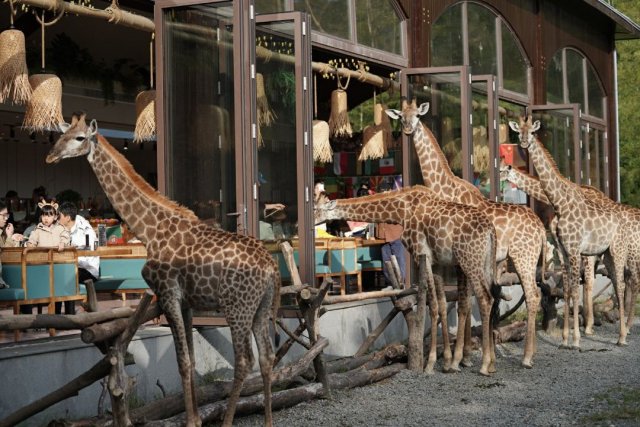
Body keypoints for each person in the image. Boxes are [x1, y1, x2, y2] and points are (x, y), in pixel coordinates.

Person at [57, 202, 100, 315]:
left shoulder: (86, 231)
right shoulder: (61, 229)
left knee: (67, 275)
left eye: (59, 216)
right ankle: (56, 314)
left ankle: (69, 313)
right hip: (73, 267)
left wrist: (72, 261)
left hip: (89, 270)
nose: (58, 219)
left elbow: (90, 256)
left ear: (67, 218)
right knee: (57, 275)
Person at [375, 183, 406, 287]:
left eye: (385, 191)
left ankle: (401, 284)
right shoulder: (378, 204)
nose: (383, 193)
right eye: (381, 192)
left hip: (396, 235)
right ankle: (391, 284)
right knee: (386, 262)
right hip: (383, 238)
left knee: (399, 260)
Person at [0, 200, 24, 290]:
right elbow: (5, 256)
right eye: (3, 215)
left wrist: (13, 238)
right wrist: (10, 236)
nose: (6, 218)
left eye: (7, 215)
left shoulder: (2, 232)